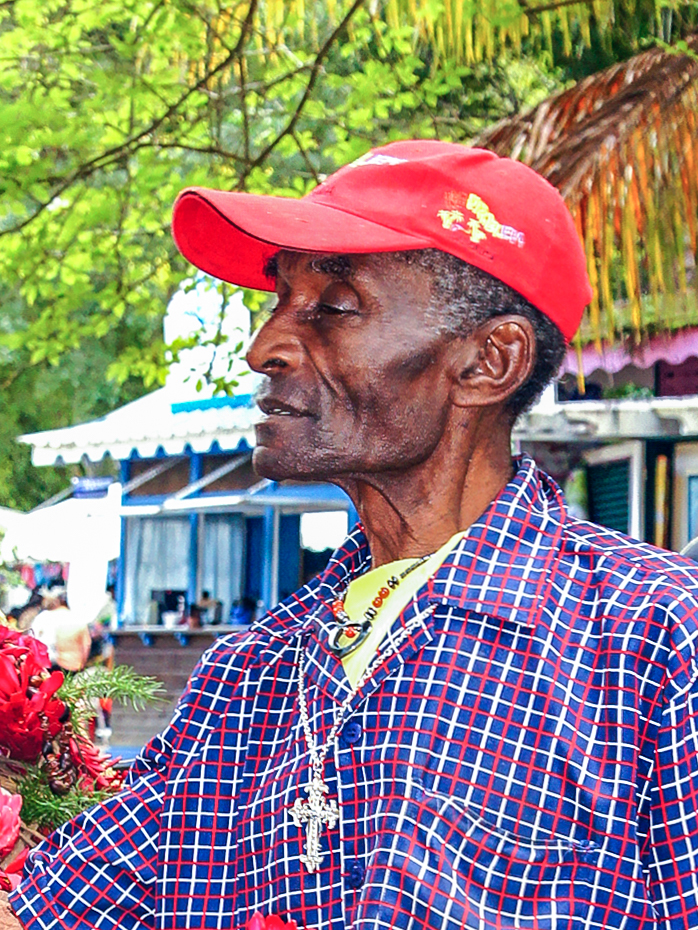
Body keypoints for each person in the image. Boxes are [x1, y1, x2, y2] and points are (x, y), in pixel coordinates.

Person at [5, 140, 698, 930]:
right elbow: (44, 914)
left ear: (487, 363)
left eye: (333, 308)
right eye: (278, 302)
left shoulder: (656, 643)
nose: (262, 347)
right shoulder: (249, 673)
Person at [29, 587, 91, 674]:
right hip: (76, 665)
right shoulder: (78, 619)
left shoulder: (46, 617)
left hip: (55, 665)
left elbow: (36, 641)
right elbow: (86, 645)